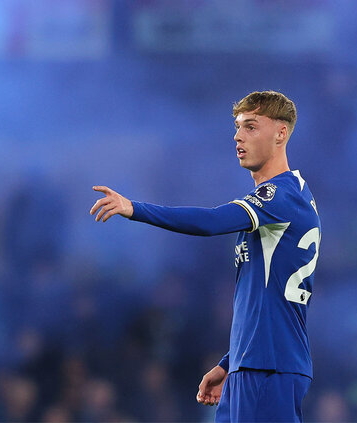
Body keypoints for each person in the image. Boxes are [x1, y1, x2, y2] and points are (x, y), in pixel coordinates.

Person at [90, 91, 320, 423]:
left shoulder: (280, 195)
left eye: (252, 126)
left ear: (281, 133)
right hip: (252, 362)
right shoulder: (283, 199)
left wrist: (134, 209)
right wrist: (230, 362)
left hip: (271, 367)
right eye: (238, 127)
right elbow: (265, 301)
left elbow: (212, 222)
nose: (239, 136)